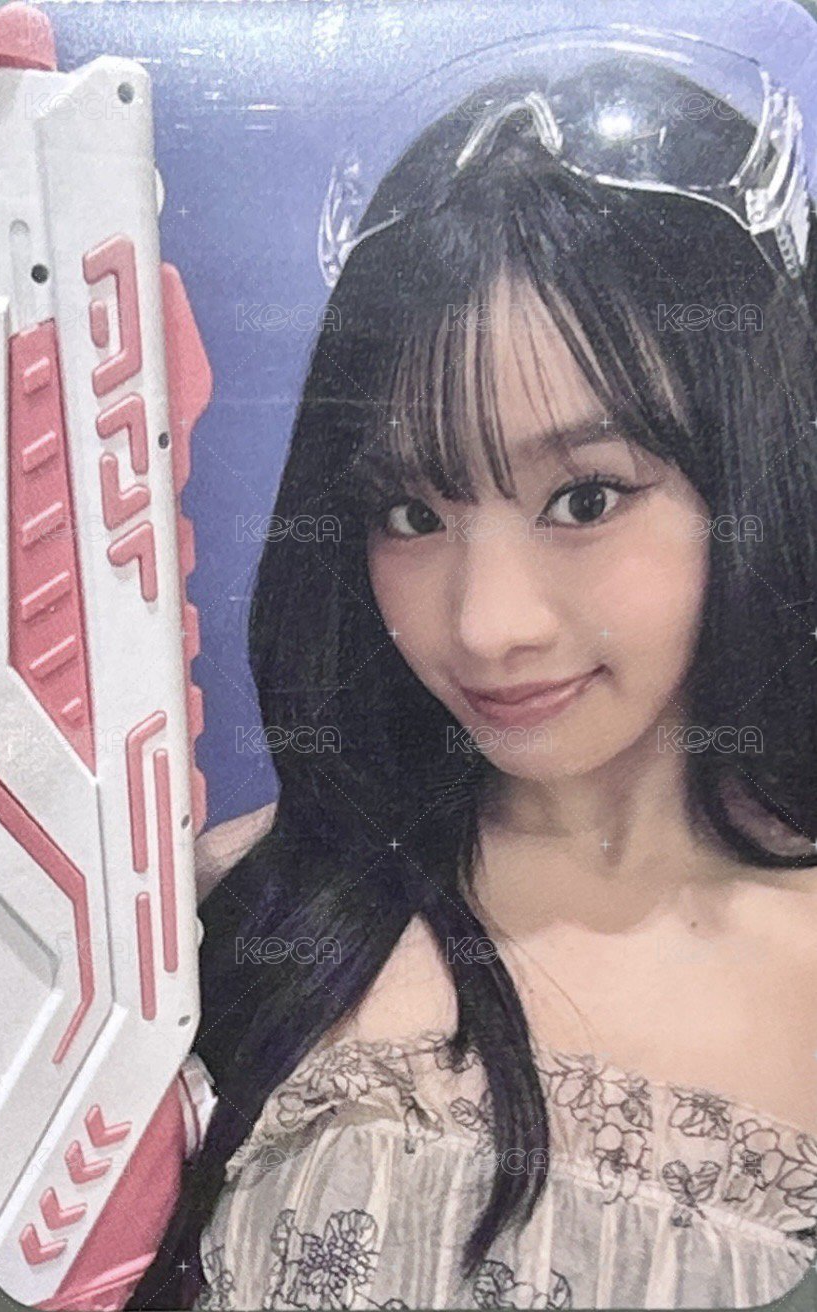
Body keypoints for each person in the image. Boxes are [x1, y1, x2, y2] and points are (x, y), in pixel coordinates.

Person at [128, 39, 817, 1312]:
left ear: (755, 475)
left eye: (584, 497)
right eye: (410, 512)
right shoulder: (230, 910)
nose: (487, 625)